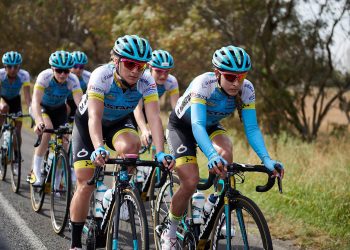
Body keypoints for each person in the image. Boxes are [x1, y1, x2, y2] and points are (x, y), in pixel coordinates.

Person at [163, 45, 285, 249]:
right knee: (191, 181)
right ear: (217, 73)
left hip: (209, 126)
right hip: (182, 127)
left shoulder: (247, 89)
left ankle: (213, 205)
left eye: (241, 77)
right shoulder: (204, 83)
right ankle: (171, 231)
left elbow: (252, 128)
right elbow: (197, 125)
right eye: (230, 77)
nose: (236, 83)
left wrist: (267, 160)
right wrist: (210, 154)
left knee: (226, 153)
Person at [69, 35, 175, 250]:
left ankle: (115, 193)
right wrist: (99, 147)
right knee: (85, 182)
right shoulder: (102, 75)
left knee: (132, 147)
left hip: (119, 122)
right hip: (89, 124)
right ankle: (75, 243)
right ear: (116, 61)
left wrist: (160, 152)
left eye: (141, 66)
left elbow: (154, 117)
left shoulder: (146, 81)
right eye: (130, 64)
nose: (136, 70)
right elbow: (94, 118)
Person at [30, 50, 82, 186]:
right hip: (43, 108)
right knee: (47, 131)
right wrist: (38, 121)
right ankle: (35, 171)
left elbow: (81, 104)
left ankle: (57, 179)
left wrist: (87, 122)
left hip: (59, 109)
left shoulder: (73, 80)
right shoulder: (44, 77)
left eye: (66, 71)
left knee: (65, 142)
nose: (63, 74)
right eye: (59, 71)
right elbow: (35, 102)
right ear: (53, 68)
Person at [133, 49, 179, 146]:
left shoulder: (171, 81)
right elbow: (137, 109)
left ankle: (157, 158)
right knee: (132, 143)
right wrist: (145, 130)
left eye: (167, 72)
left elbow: (176, 109)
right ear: (150, 67)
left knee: (157, 135)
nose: (163, 76)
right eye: (158, 71)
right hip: (133, 110)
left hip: (150, 109)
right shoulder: (142, 79)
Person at [0, 51, 31, 172]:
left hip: (15, 101)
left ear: (19, 67)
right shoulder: (1, 75)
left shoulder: (24, 75)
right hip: (2, 99)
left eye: (16, 67)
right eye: (9, 66)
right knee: (3, 112)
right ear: (5, 66)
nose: (12, 69)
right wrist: (1, 104)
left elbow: (28, 98)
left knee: (17, 131)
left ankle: (17, 157)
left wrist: (32, 111)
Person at [67, 51, 91, 121]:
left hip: (80, 101)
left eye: (81, 67)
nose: (78, 69)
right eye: (75, 66)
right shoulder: (64, 75)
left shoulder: (89, 76)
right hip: (66, 101)